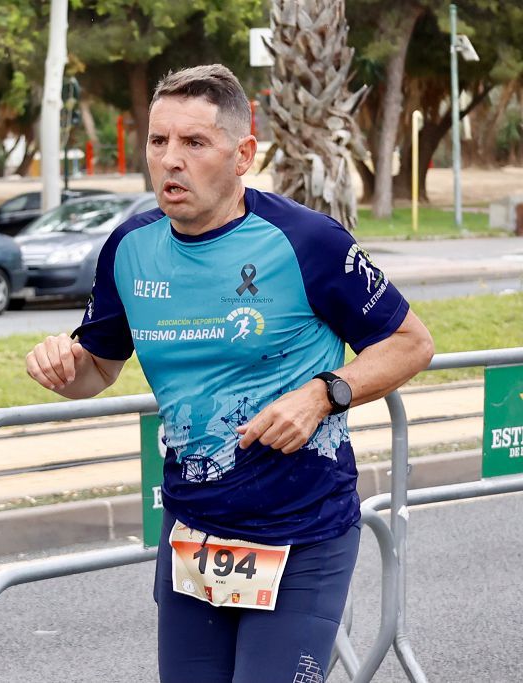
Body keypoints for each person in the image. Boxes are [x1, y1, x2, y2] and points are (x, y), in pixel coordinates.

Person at [24, 64, 434, 683]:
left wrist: (325, 394)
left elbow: (411, 343)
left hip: (302, 531)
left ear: (243, 153)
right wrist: (64, 364)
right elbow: (98, 369)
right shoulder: (128, 249)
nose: (170, 161)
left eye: (194, 143)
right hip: (194, 531)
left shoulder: (306, 240)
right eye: (158, 142)